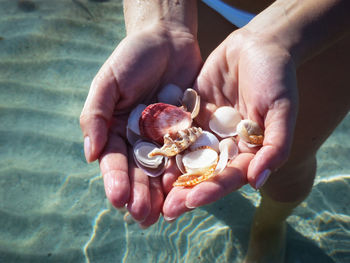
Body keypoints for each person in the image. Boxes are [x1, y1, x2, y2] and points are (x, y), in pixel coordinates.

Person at [80, 0, 350, 262]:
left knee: (286, 161)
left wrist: (277, 35)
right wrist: (160, 21)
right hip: (204, 5)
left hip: (322, 19)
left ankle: (269, 226)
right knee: (206, 90)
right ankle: (174, 193)